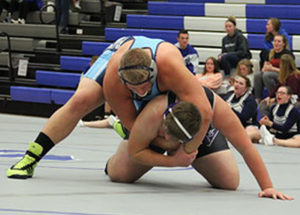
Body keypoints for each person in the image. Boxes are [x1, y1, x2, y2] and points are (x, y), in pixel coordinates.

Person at [7, 36, 213, 179]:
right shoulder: (113, 80)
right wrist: (171, 148)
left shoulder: (171, 68)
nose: (141, 93)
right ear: (124, 83)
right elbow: (134, 124)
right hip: (119, 55)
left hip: (156, 61)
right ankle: (30, 158)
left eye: (145, 87)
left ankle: (125, 123)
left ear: (154, 74)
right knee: (80, 100)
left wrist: (187, 149)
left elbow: (205, 110)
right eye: (135, 89)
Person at [105, 87, 292, 200]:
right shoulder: (156, 110)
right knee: (119, 174)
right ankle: (128, 130)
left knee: (229, 182)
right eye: (168, 134)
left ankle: (179, 139)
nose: (170, 139)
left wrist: (267, 186)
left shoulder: (216, 108)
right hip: (154, 132)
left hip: (193, 132)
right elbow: (136, 152)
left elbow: (245, 146)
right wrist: (174, 160)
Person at [254, 35, 294, 102]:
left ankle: (274, 96)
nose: (276, 43)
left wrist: (272, 68)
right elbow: (265, 66)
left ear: (283, 44)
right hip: (271, 72)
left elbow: (288, 71)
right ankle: (258, 98)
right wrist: (264, 68)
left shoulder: (287, 54)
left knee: (267, 75)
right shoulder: (270, 53)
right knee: (257, 75)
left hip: (283, 74)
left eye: (279, 41)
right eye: (275, 41)